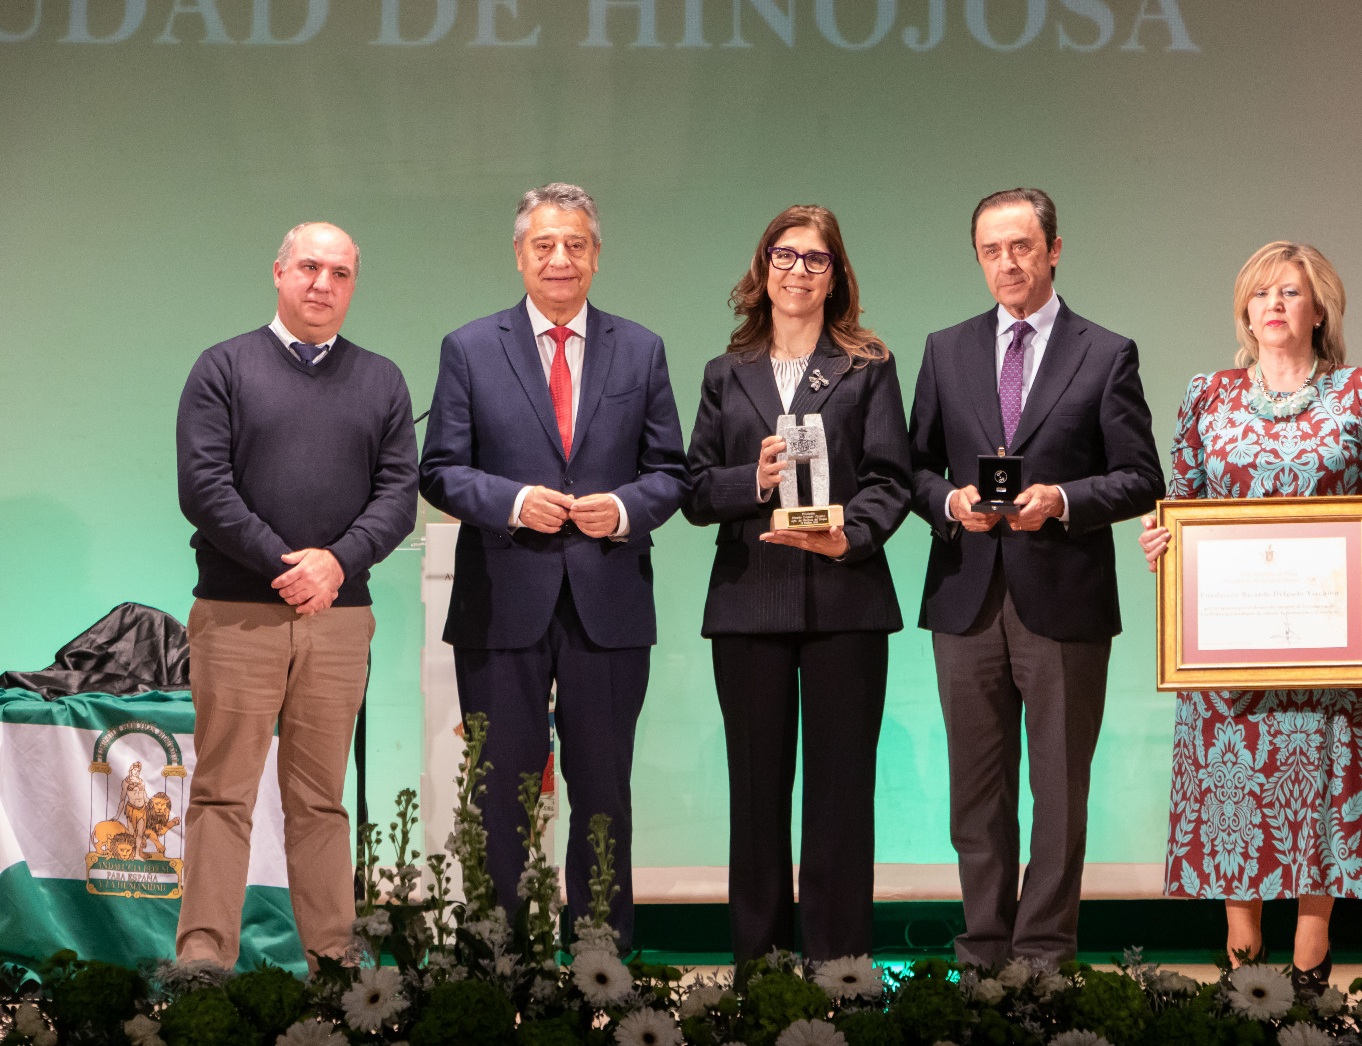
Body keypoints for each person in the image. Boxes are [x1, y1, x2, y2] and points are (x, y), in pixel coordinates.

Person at [1138, 241, 1362, 997]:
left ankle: (1312, 959)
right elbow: (1182, 500)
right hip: (1229, 643)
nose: (1273, 305)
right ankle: (1242, 961)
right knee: (1235, 785)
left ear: (1318, 309)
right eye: (1260, 293)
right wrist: (1163, 538)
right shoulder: (1208, 394)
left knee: (1321, 785)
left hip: (1330, 640)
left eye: (1289, 292)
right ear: (1245, 308)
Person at [418, 183, 690, 946]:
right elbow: (439, 469)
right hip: (501, 602)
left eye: (575, 244)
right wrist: (512, 501)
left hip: (609, 601)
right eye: (544, 245)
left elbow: (671, 472)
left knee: (603, 791)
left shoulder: (641, 348)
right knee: (499, 792)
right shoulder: (470, 348)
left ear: (597, 255)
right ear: (519, 255)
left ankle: (601, 959)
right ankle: (496, 957)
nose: (559, 258)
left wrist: (625, 509)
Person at [908, 188, 1164, 967]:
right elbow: (911, 468)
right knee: (975, 794)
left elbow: (1141, 477)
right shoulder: (945, 349)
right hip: (966, 598)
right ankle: (983, 954)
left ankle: (1044, 959)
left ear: (1053, 250)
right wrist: (950, 502)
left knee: (1058, 793)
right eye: (991, 250)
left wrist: (1061, 501)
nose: (1007, 262)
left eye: (1021, 246)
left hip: (1064, 600)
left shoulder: (1105, 352)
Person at [175, 222, 419, 968]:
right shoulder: (222, 368)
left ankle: (336, 970)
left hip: (338, 620)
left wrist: (336, 565)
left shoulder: (382, 380)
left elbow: (398, 496)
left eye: (340, 273)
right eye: (309, 267)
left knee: (320, 801)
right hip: (237, 616)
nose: (323, 284)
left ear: (353, 286)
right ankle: (205, 964)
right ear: (279, 272)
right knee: (222, 794)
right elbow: (204, 487)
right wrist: (289, 567)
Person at [684, 205, 912, 963]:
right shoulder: (726, 373)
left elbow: (891, 478)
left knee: (841, 799)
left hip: (846, 600)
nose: (798, 271)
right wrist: (750, 481)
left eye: (816, 259)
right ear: (764, 267)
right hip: (750, 601)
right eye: (785, 256)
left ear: (835, 275)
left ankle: (840, 973)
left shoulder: (867, 366)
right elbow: (693, 490)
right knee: (755, 799)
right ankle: (761, 973)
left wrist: (851, 533)